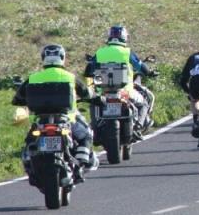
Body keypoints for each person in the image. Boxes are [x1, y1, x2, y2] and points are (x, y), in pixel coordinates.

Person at [13, 45, 99, 179]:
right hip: (68, 119)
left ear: (43, 58)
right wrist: (97, 98)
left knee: (29, 142)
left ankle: (30, 163)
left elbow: (17, 98)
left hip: (41, 121)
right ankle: (82, 162)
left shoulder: (33, 78)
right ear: (63, 58)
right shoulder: (70, 77)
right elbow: (87, 93)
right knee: (86, 135)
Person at [89, 25, 155, 134]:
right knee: (144, 103)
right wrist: (149, 72)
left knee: (93, 103)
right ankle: (138, 126)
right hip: (125, 91)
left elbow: (90, 68)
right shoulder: (127, 52)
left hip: (103, 92)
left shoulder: (100, 52)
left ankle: (96, 126)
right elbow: (141, 67)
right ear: (124, 37)